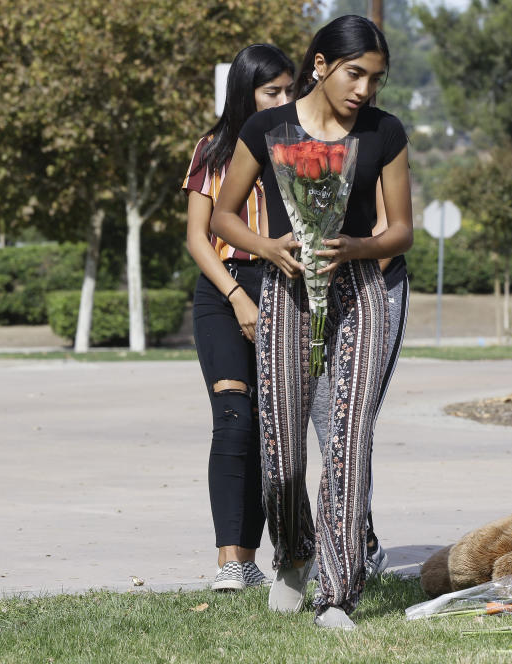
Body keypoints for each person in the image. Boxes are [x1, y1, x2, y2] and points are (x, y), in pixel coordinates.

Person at [210, 15, 413, 629]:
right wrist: (268, 248)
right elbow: (222, 217)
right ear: (320, 65)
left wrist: (358, 246)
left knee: (350, 441)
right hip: (286, 289)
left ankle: (337, 592)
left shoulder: (385, 132)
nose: (364, 91)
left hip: (361, 290)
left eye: (374, 79)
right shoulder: (264, 126)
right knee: (283, 447)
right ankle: (294, 556)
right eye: (355, 74)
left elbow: (402, 229)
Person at [182, 43, 297, 592]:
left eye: (288, 89)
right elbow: (197, 238)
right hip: (224, 289)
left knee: (279, 428)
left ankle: (295, 552)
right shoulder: (215, 147)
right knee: (233, 416)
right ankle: (234, 561)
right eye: (270, 91)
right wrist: (236, 297)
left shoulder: (301, 147)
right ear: (244, 92)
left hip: (286, 287)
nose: (283, 99)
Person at [309, 181, 410, 579]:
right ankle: (358, 537)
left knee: (350, 422)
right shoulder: (296, 139)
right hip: (313, 293)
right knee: (324, 425)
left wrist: (348, 280)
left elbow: (392, 228)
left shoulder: (380, 136)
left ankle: (350, 547)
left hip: (375, 284)